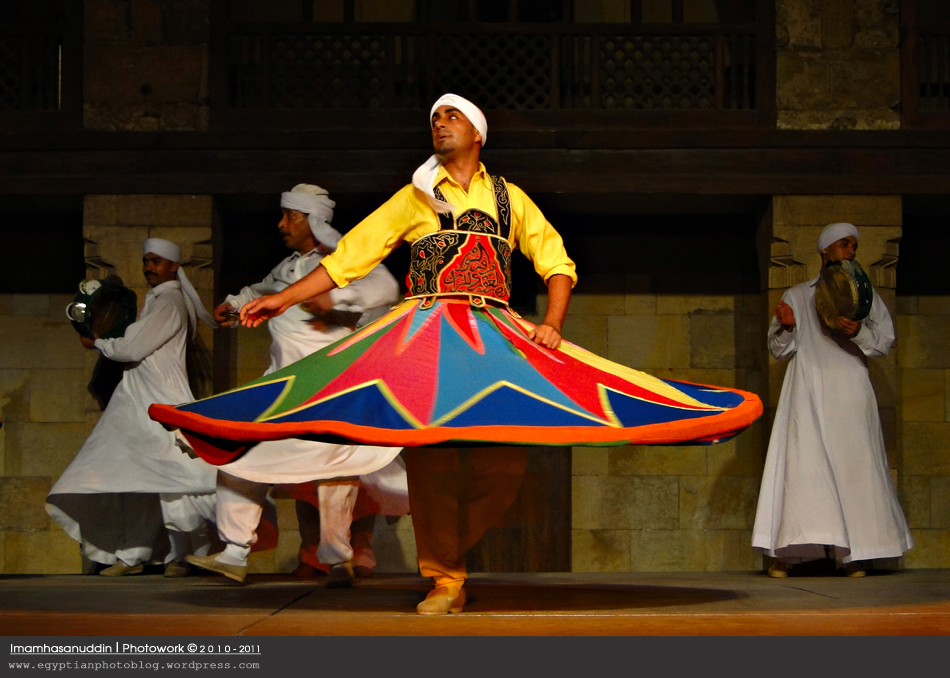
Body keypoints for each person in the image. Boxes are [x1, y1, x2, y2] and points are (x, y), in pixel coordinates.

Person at [151, 94, 762, 613]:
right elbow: (349, 258)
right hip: (426, 336)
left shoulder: (508, 198)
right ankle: (446, 575)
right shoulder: (416, 198)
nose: (438, 123)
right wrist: (283, 300)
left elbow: (557, 262)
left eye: (452, 117)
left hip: (494, 336)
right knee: (434, 459)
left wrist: (551, 324)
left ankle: (452, 555)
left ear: (476, 132)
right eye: (435, 117)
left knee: (505, 459)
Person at [186, 185, 406, 586]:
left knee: (336, 472)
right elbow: (261, 291)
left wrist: (339, 298)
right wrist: (235, 306)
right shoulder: (288, 267)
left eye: (290, 215)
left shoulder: (346, 259)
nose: (281, 223)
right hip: (283, 388)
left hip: (329, 388)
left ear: (312, 219)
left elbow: (387, 287)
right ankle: (235, 552)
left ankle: (339, 559)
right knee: (241, 453)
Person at [47, 239, 218, 577]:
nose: (148, 267)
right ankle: (132, 554)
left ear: (173, 265)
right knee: (132, 478)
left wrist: (96, 341)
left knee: (175, 481)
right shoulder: (157, 301)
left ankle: (184, 555)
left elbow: (132, 348)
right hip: (137, 400)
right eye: (145, 260)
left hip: (161, 399)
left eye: (155, 260)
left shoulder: (169, 301)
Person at [752, 222, 913, 578]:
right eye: (844, 244)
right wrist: (790, 326)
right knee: (804, 469)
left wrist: (860, 331)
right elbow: (778, 349)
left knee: (853, 467)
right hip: (807, 389)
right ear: (825, 250)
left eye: (854, 245)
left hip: (849, 389)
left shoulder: (865, 294)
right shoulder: (797, 293)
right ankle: (788, 555)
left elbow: (884, 341)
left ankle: (854, 555)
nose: (851, 250)